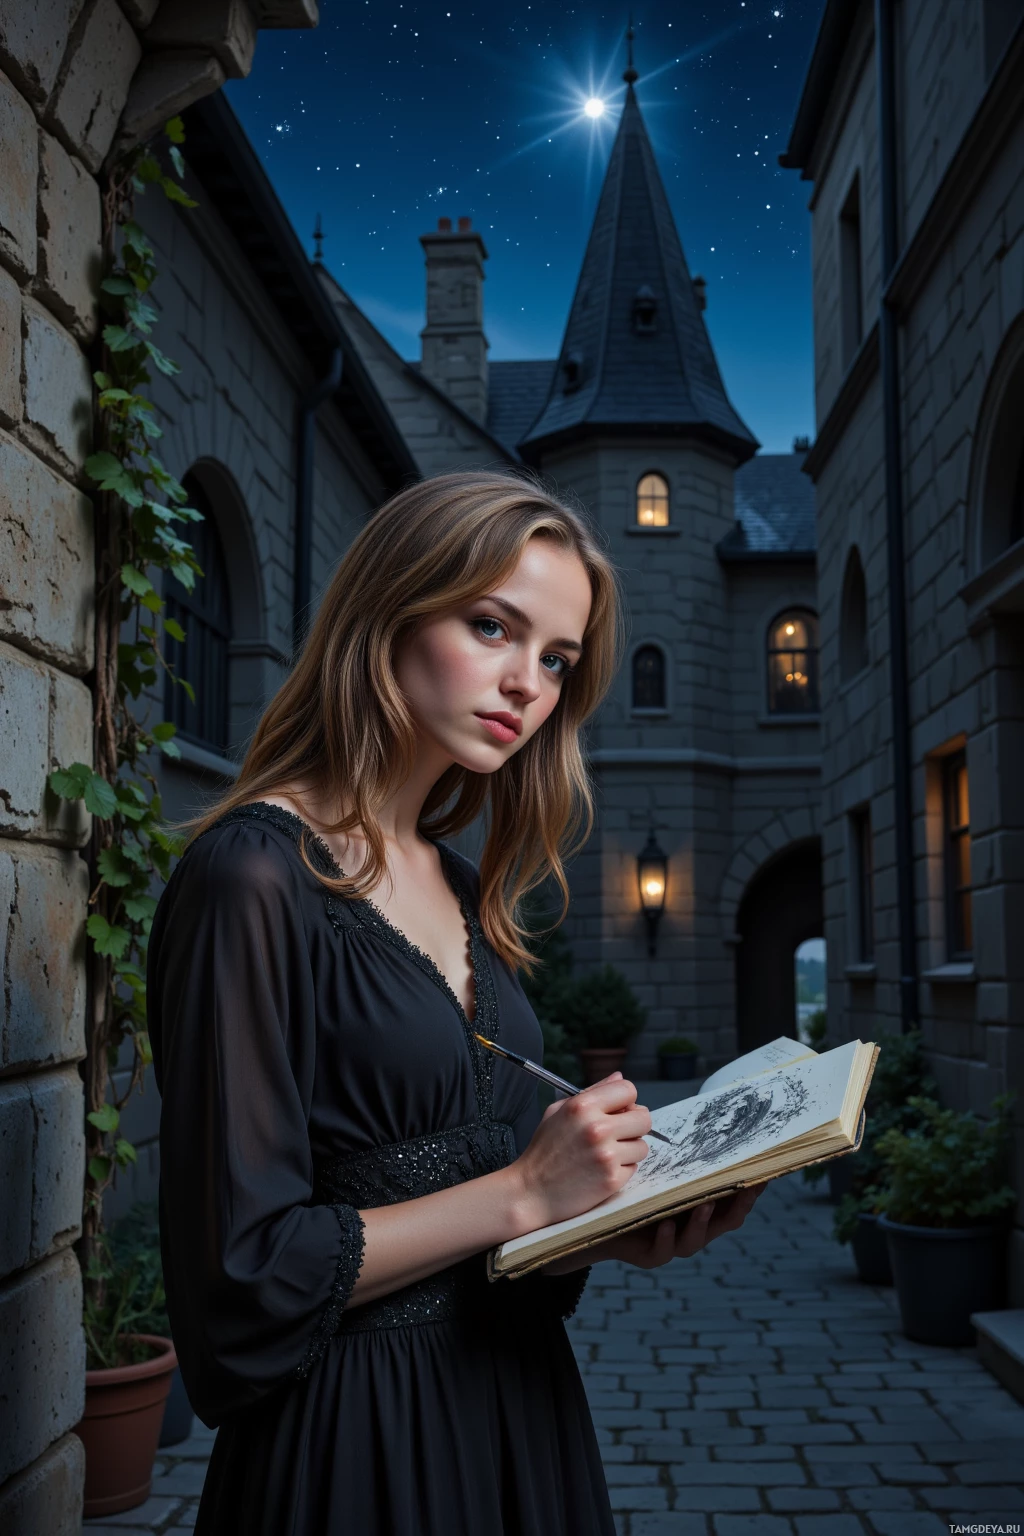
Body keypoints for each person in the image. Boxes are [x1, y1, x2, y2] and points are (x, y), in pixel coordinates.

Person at [149, 470, 765, 1536]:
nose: (528, 683)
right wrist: (529, 1192)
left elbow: (477, 1215)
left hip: (521, 1412)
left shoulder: (463, 885)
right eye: (493, 626)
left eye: (558, 660)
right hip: (354, 1443)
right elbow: (240, 1281)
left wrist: (596, 1229)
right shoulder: (251, 877)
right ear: (390, 607)